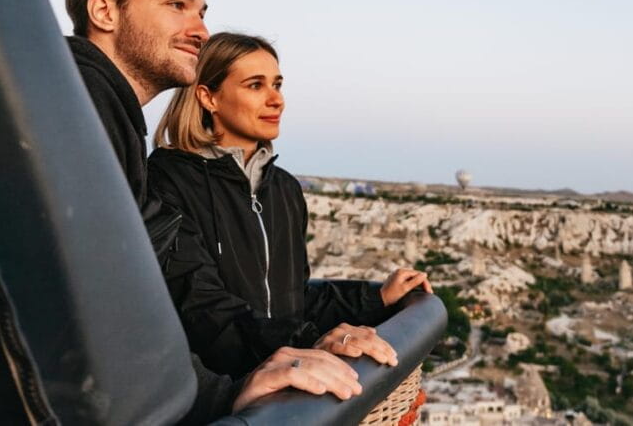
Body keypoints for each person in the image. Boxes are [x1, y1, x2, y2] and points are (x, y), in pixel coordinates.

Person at [65, 0, 362, 423]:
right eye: (176, 5)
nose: (201, 31)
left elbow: (147, 286)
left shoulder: (104, 119)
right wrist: (217, 396)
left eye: (201, 12)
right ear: (104, 12)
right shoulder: (81, 105)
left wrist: (365, 304)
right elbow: (89, 300)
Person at [149, 32, 434, 378]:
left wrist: (377, 299)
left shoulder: (284, 189)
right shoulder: (167, 181)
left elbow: (294, 301)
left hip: (287, 384)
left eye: (278, 85)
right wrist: (309, 344)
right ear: (209, 97)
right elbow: (199, 307)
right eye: (256, 86)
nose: (276, 100)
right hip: (213, 393)